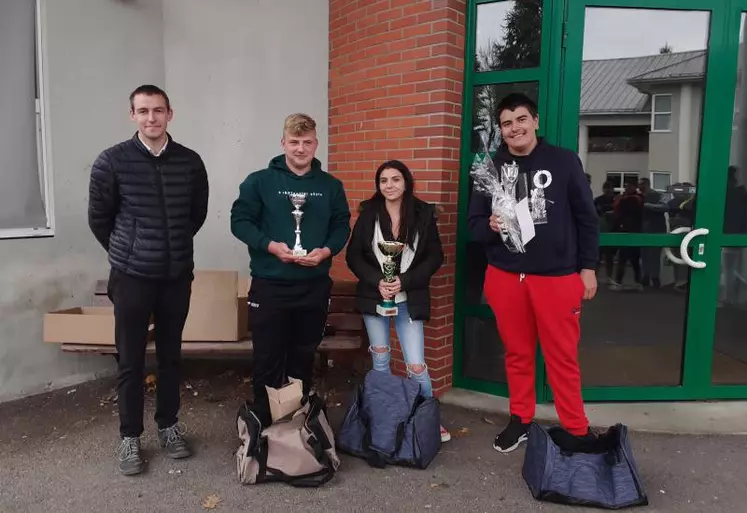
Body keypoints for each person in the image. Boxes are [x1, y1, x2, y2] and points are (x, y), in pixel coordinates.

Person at [467, 93, 599, 453]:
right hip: (505, 277)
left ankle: (576, 428)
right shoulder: (488, 168)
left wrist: (588, 268)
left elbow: (587, 219)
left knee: (562, 356)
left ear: (535, 122)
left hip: (557, 278)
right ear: (501, 130)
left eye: (521, 120)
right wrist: (490, 225)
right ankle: (520, 419)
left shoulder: (564, 161)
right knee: (517, 353)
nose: (515, 128)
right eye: (507, 123)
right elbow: (473, 226)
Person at [88, 84, 209, 475]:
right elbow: (100, 219)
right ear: (132, 116)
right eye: (143, 111)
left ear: (170, 114)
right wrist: (130, 250)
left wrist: (169, 247)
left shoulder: (190, 162)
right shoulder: (112, 161)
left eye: (158, 110)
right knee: (131, 359)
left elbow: (196, 215)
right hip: (132, 277)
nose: (151, 118)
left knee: (171, 356)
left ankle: (169, 428)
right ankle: (129, 438)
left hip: (175, 276)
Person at [230, 113, 351, 427]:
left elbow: (341, 226)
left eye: (307, 142)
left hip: (313, 286)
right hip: (270, 285)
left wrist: (325, 251)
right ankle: (264, 429)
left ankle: (298, 428)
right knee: (267, 360)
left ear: (316, 144)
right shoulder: (259, 182)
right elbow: (240, 222)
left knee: (302, 359)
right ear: (283, 143)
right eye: (294, 142)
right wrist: (270, 246)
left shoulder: (331, 186)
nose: (300, 149)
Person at [345, 160, 451, 443]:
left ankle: (428, 420)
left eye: (395, 179)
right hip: (375, 297)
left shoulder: (423, 214)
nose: (389, 185)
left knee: (416, 364)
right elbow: (353, 256)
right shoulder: (368, 214)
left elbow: (435, 257)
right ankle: (382, 417)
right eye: (383, 181)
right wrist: (376, 280)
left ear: (406, 182)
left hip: (408, 298)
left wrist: (405, 281)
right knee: (380, 359)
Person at [610, 180, 644, 291]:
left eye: (629, 186)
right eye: (625, 186)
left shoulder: (636, 198)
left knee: (633, 259)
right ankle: (621, 282)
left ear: (634, 187)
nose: (626, 188)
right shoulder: (625, 198)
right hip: (624, 230)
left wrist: (620, 201)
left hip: (634, 231)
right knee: (623, 258)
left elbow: (624, 210)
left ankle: (637, 282)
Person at [638, 178, 668, 289]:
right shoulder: (639, 197)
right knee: (644, 254)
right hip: (643, 229)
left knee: (655, 254)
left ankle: (655, 277)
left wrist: (650, 205)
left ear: (647, 184)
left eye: (641, 184)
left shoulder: (657, 195)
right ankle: (645, 276)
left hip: (657, 228)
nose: (640, 187)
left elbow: (666, 207)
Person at [594, 181, 618, 283]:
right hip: (600, 230)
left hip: (612, 230)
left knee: (609, 257)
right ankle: (594, 277)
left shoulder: (616, 200)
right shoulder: (598, 200)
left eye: (610, 188)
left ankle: (609, 277)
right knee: (597, 257)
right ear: (603, 189)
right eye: (606, 188)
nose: (608, 190)